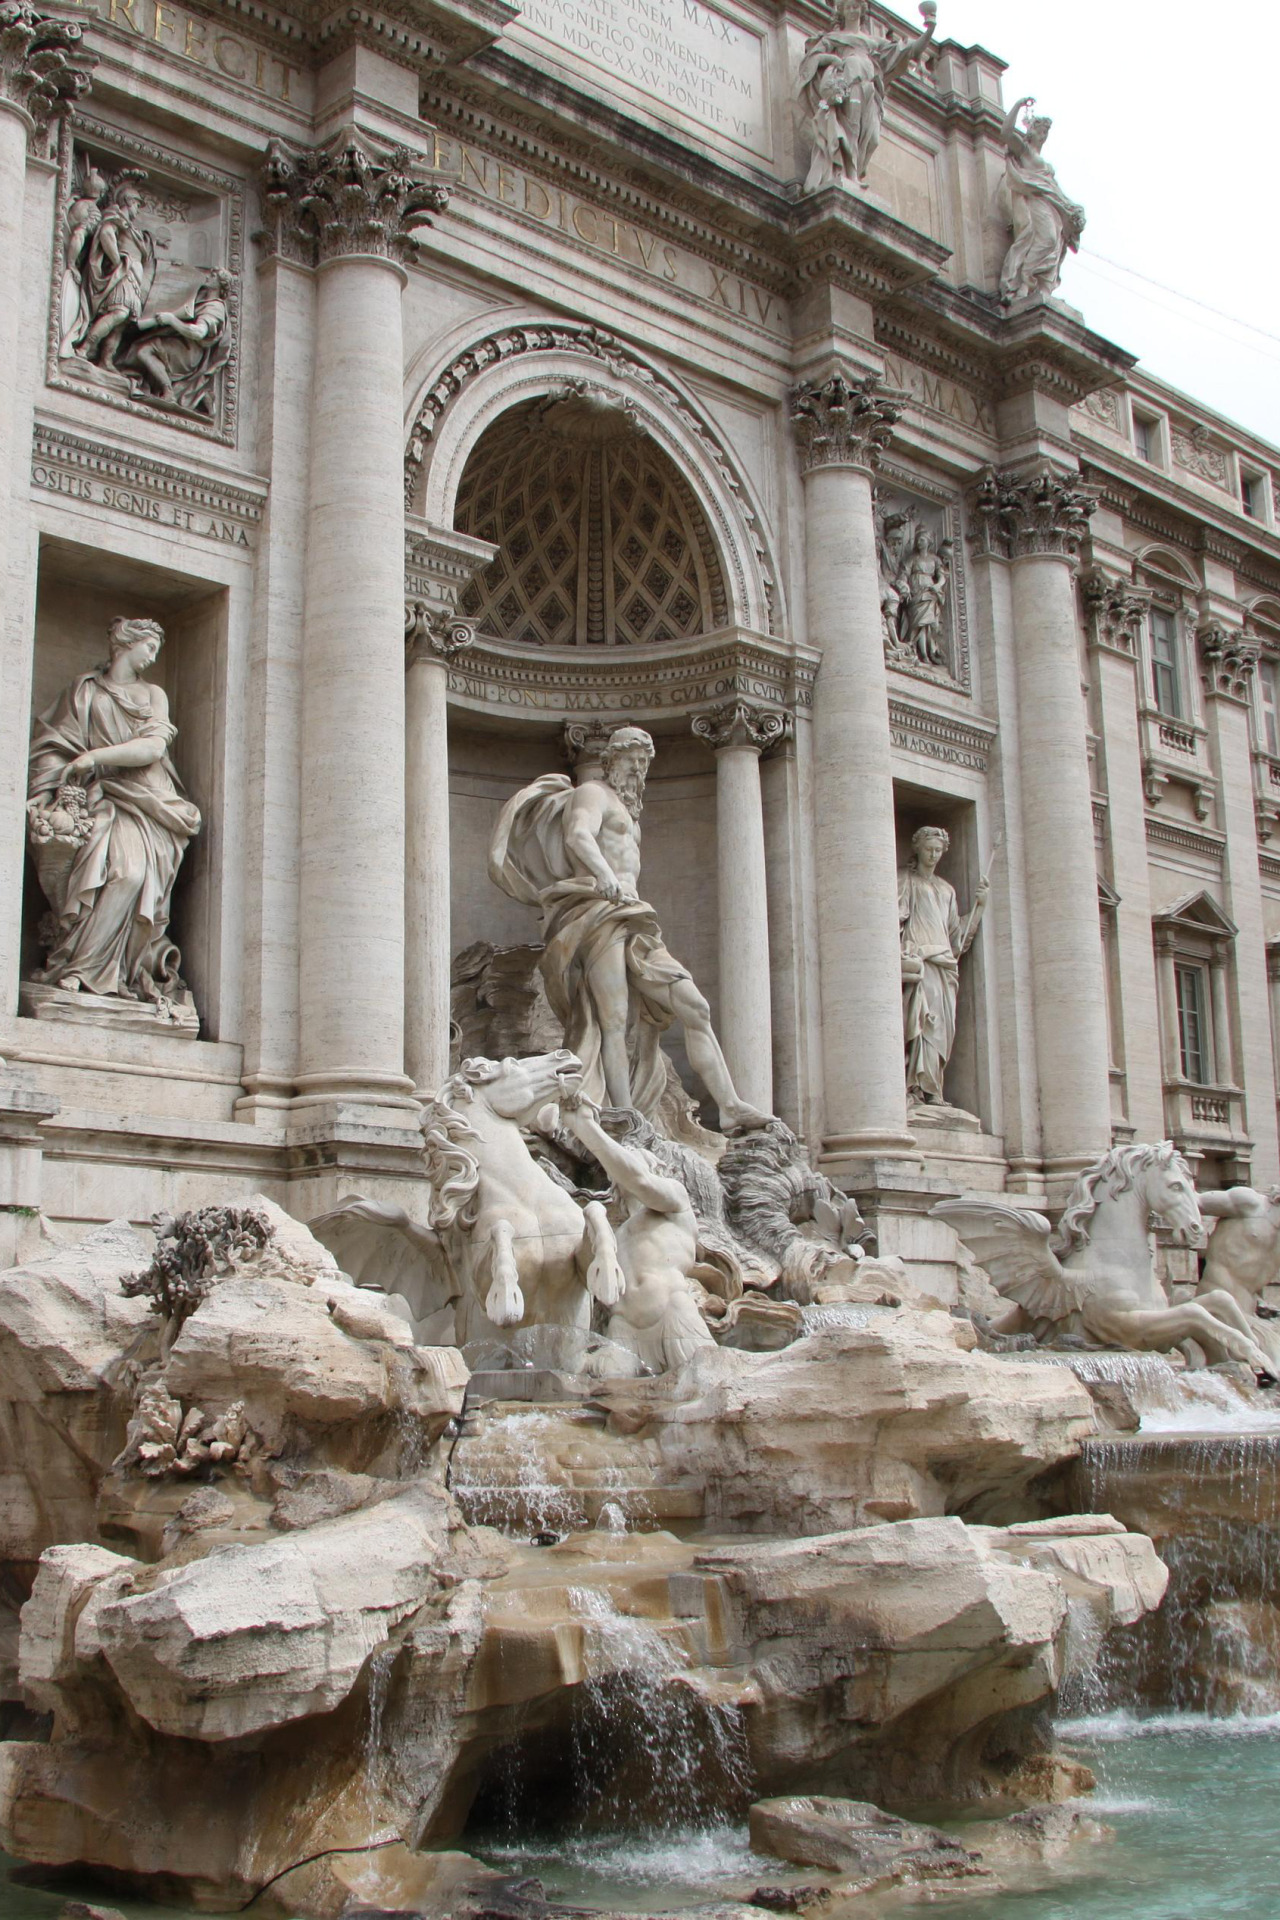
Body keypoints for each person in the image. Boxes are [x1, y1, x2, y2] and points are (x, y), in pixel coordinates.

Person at [489, 725, 769, 1131]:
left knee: (695, 1006)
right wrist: (603, 874)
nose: (638, 770)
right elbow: (577, 835)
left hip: (634, 917)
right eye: (632, 760)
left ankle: (729, 1106)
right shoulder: (593, 794)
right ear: (612, 760)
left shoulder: (630, 816)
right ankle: (625, 1117)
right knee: (613, 1021)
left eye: (643, 763)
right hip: (597, 912)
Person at [26, 617, 202, 1004]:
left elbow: (153, 749)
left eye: (157, 649)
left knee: (131, 874)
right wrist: (44, 790)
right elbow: (53, 744)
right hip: (101, 795)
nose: (153, 655)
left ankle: (99, 969)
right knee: (100, 872)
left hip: (149, 798)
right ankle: (78, 967)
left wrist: (93, 756)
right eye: (149, 646)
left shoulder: (153, 694)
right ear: (126, 643)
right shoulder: (84, 690)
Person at [563, 1093, 714, 1374]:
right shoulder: (617, 1234)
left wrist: (585, 1128)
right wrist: (594, 1220)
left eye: (629, 1159)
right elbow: (584, 1278)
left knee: (702, 1387)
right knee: (605, 1395)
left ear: (656, 1170)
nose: (621, 1166)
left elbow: (639, 1180)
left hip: (671, 1314)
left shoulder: (676, 1205)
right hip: (624, 1329)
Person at [798, 1, 936, 194]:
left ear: (862, 10)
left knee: (872, 139)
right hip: (850, 86)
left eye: (856, 6)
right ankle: (849, 175)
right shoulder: (833, 38)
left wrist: (930, 27)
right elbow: (812, 59)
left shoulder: (874, 43)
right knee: (851, 130)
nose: (853, 10)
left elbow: (910, 50)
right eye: (849, 7)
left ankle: (853, 173)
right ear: (842, 11)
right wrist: (834, 59)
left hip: (869, 89)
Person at [898, 825, 986, 1105]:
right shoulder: (905, 880)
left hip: (944, 965)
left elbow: (957, 937)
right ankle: (914, 1086)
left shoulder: (947, 889)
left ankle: (932, 1088)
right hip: (921, 958)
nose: (933, 855)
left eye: (938, 850)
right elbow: (895, 918)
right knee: (921, 1021)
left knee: (940, 1028)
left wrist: (980, 907)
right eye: (928, 849)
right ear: (918, 848)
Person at [997, 97, 1085, 308]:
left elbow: (1055, 191)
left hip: (1052, 205)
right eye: (1041, 130)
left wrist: (1072, 208)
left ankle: (1041, 287)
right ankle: (1025, 281)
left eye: (1046, 132)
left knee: (1055, 244)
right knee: (1046, 239)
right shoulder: (1025, 151)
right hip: (1036, 202)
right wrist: (1018, 106)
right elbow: (1006, 133)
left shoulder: (1046, 164)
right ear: (1031, 131)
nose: (1044, 135)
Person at [74, 176, 156, 371]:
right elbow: (106, 234)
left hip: (133, 277)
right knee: (119, 312)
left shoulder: (132, 228)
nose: (138, 209)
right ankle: (85, 347)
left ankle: (106, 360)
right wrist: (118, 259)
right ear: (128, 202)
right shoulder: (115, 218)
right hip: (123, 275)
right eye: (137, 204)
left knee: (122, 322)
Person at [123, 270, 232, 414]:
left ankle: (168, 392)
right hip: (179, 344)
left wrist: (172, 320)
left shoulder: (214, 308)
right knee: (140, 351)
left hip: (188, 352)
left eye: (213, 276)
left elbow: (198, 332)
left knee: (144, 351)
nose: (208, 276)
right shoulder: (202, 298)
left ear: (220, 284)